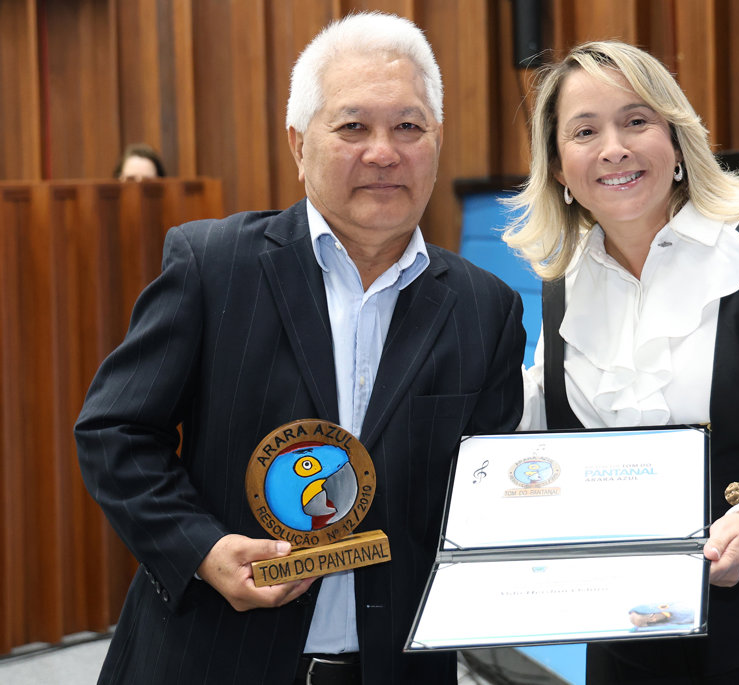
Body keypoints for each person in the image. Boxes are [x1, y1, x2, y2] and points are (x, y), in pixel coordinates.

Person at [76, 12, 524, 685]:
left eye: (408, 126)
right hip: (212, 660)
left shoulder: (485, 308)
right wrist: (202, 549)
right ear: (297, 144)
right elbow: (115, 431)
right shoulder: (213, 266)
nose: (384, 152)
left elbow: (485, 498)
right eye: (353, 127)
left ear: (437, 139)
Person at [503, 40, 739, 684]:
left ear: (676, 142)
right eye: (585, 132)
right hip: (629, 646)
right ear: (559, 168)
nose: (614, 148)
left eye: (636, 121)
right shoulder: (563, 289)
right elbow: (539, 434)